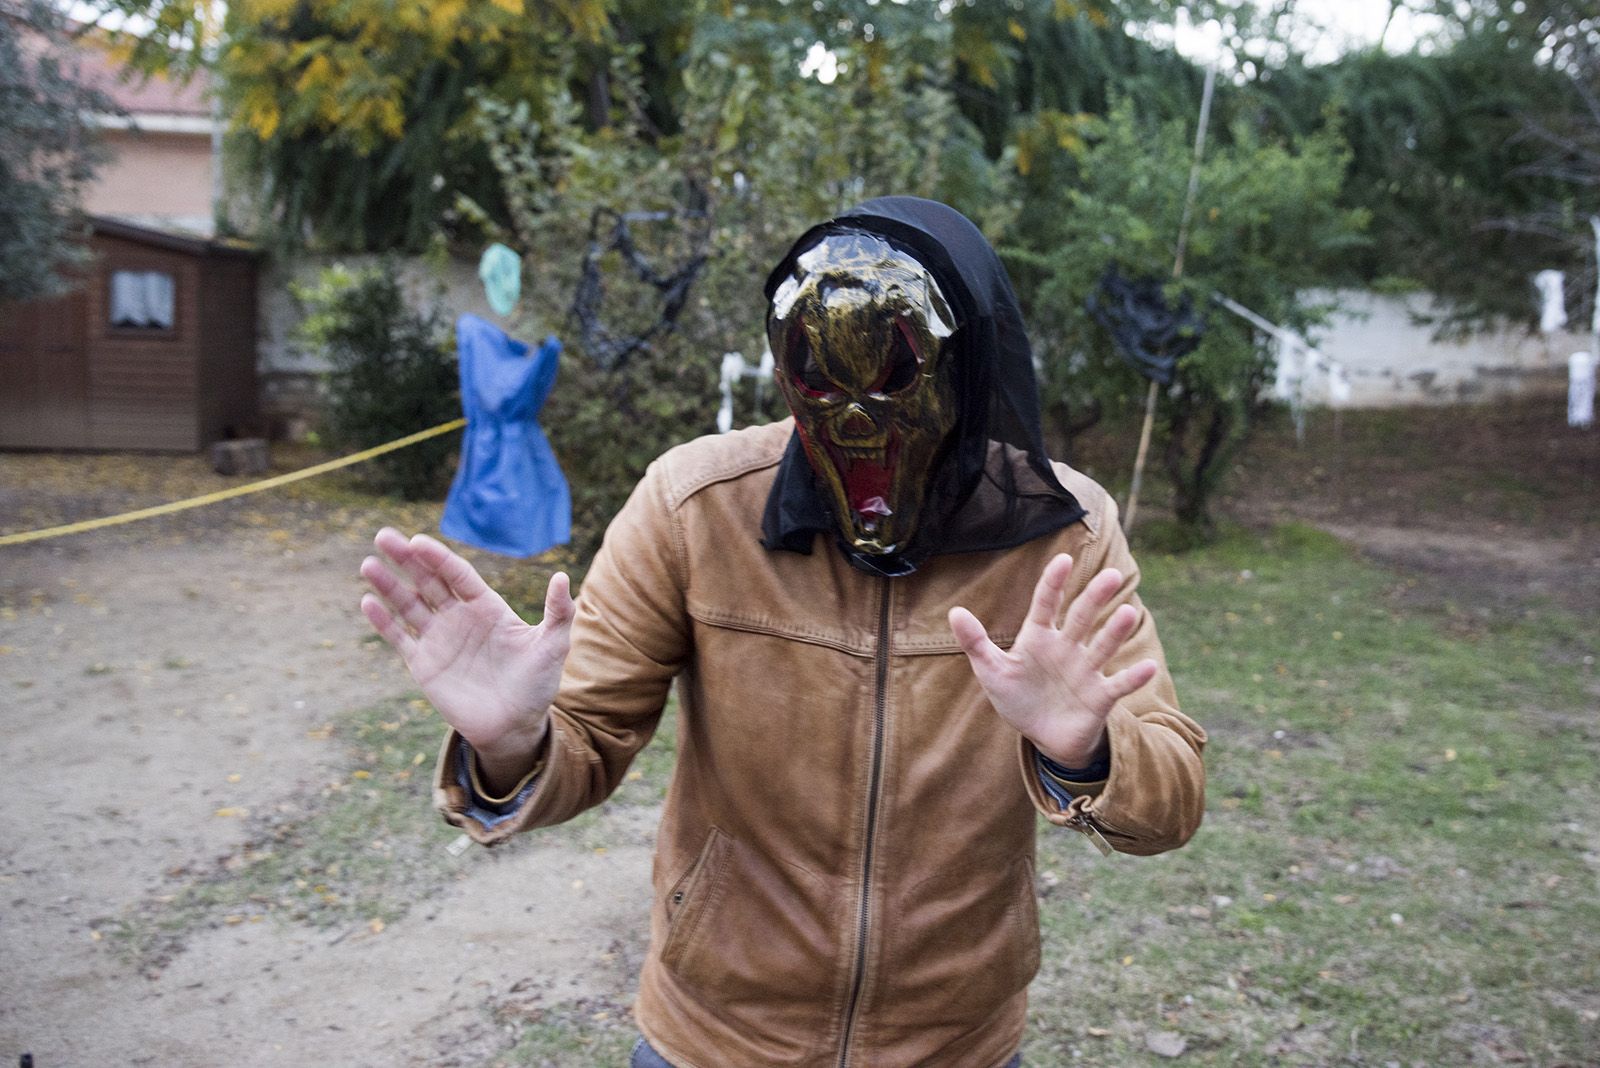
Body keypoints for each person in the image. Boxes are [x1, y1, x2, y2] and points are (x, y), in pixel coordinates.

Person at [360, 197, 1206, 1068]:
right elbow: (587, 735)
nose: (853, 419)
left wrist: (1087, 750)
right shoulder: (696, 508)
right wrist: (511, 742)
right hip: (717, 1038)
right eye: (820, 380)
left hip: (954, 1046)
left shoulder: (1061, 533)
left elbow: (1171, 795)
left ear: (967, 367)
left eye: (893, 376)